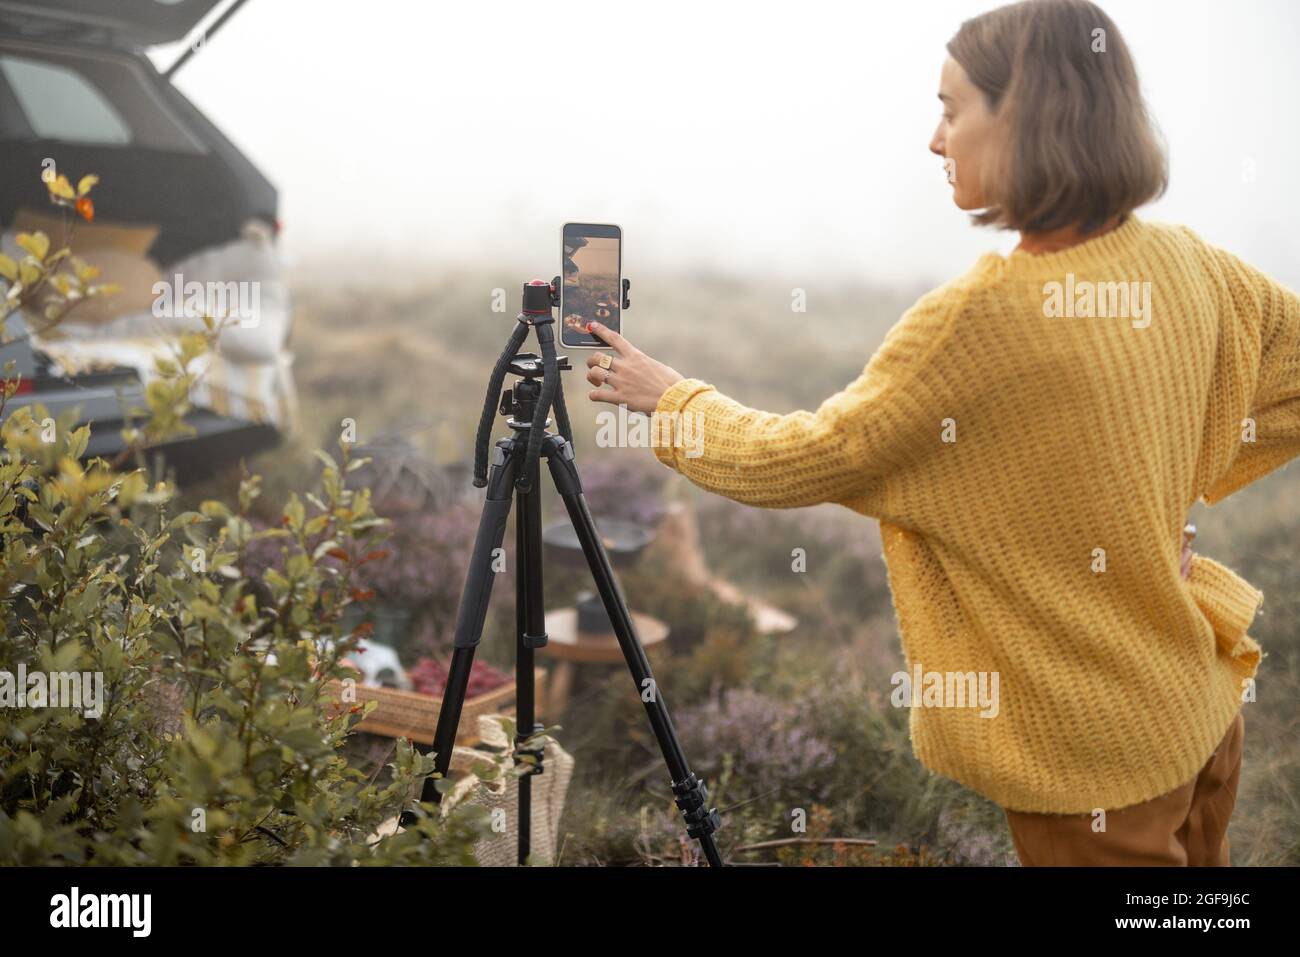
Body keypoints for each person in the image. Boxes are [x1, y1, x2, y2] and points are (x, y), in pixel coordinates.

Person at [578, 0, 1299, 866]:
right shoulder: (1191, 262)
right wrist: (1160, 500)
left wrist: (672, 399)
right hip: (1198, 706)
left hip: (1094, 761)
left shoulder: (981, 319)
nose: (934, 139)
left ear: (1028, 117)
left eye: (953, 110)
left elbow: (804, 460)